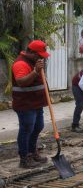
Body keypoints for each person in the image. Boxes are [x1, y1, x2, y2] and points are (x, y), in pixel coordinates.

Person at [12, 40, 50, 168]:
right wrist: (35, 71)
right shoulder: (20, 64)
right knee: (27, 128)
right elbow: (21, 82)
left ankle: (32, 152)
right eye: (39, 55)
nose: (41, 58)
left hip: (36, 102)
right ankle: (24, 158)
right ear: (32, 53)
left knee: (38, 126)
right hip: (25, 104)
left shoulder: (34, 62)